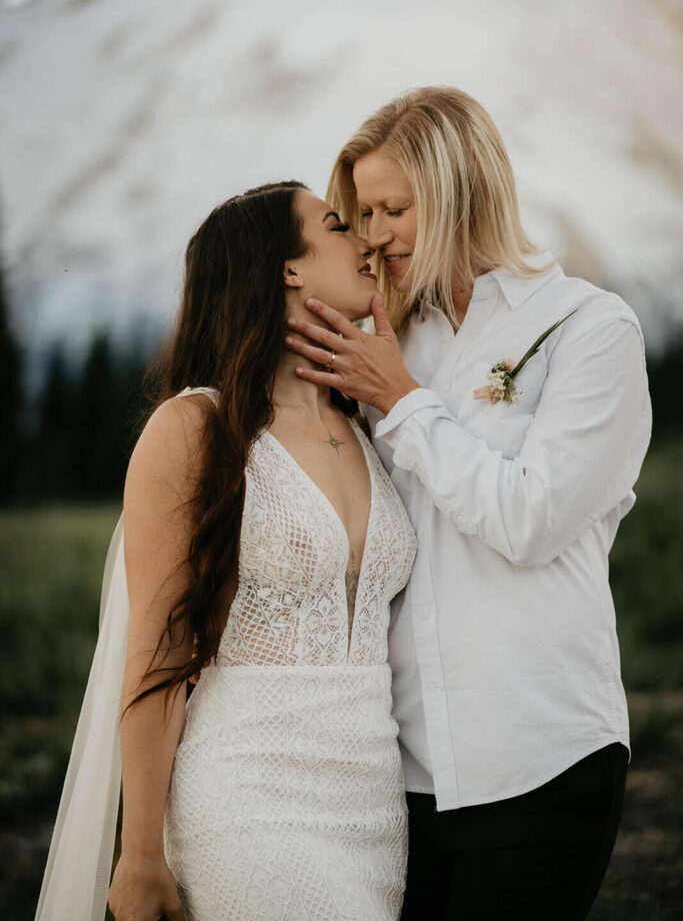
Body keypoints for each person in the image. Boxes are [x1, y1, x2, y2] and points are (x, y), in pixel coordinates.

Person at [286, 86, 652, 920]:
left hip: (539, 753)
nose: (373, 235)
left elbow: (530, 521)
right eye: (361, 213)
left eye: (392, 209)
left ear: (458, 192)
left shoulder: (588, 331)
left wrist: (405, 402)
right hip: (397, 773)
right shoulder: (386, 341)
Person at [35, 181, 417, 921]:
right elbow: (158, 643)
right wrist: (140, 852)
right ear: (287, 270)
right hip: (246, 795)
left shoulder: (366, 426)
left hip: (372, 803)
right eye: (338, 226)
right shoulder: (195, 429)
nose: (367, 241)